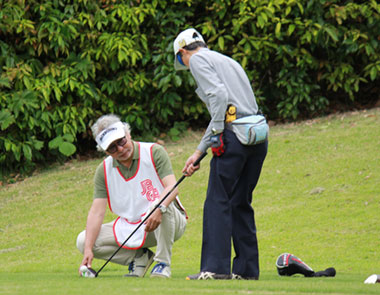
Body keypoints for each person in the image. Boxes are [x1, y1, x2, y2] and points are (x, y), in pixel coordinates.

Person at [173, 28, 268, 280]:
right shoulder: (228, 61)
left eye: (181, 59)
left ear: (183, 52)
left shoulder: (198, 60)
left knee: (217, 201)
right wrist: (198, 152)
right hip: (256, 137)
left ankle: (214, 269)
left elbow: (218, 97)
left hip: (233, 137)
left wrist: (217, 136)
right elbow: (229, 110)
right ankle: (247, 271)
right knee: (239, 202)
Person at [76, 114, 187, 278]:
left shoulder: (154, 151)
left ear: (128, 134)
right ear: (105, 151)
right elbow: (97, 212)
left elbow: (172, 187)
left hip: (169, 220)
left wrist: (158, 207)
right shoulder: (103, 170)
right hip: (132, 226)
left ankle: (162, 264)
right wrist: (87, 250)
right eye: (112, 148)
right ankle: (140, 258)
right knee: (84, 240)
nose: (120, 149)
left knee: (160, 202)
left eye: (121, 141)